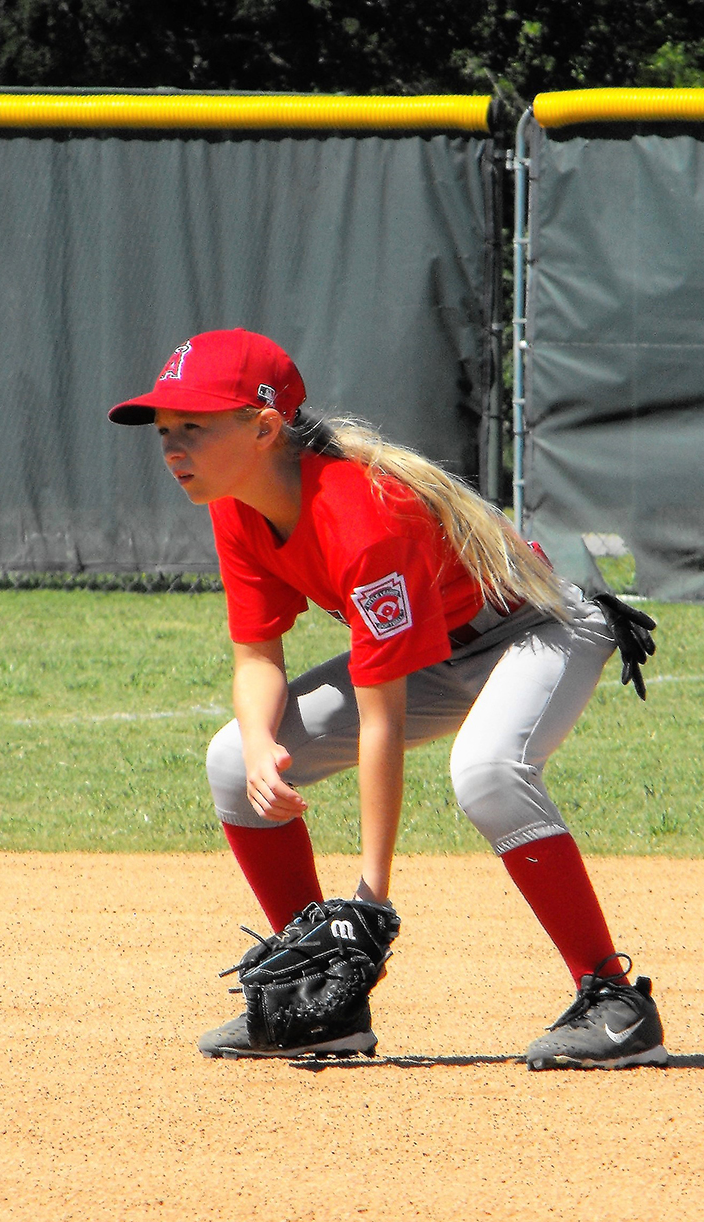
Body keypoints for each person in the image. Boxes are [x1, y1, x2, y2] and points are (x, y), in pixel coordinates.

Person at [108, 327, 667, 1070]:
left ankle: (614, 1002)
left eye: (194, 428)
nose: (172, 448)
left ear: (265, 427)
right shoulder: (236, 503)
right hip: (438, 651)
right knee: (231, 759)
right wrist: (261, 746)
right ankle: (318, 996)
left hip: (536, 631)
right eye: (165, 431)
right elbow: (256, 656)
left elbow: (382, 719)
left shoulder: (362, 515)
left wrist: (371, 897)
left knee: (487, 773)